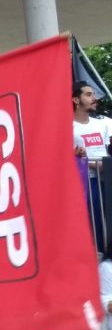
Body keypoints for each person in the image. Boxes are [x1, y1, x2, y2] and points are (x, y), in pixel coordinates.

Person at [72, 81, 111, 251]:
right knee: (97, 225)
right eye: (88, 95)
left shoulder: (102, 124)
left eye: (93, 94)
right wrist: (78, 156)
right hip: (88, 184)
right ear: (76, 99)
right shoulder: (67, 127)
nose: (94, 98)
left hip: (107, 180)